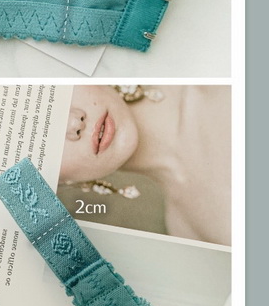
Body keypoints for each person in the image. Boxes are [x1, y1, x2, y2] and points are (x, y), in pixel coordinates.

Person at [58, 85, 230, 245]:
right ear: (58, 182)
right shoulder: (187, 235)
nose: (74, 123)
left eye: (53, 95)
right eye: (48, 141)